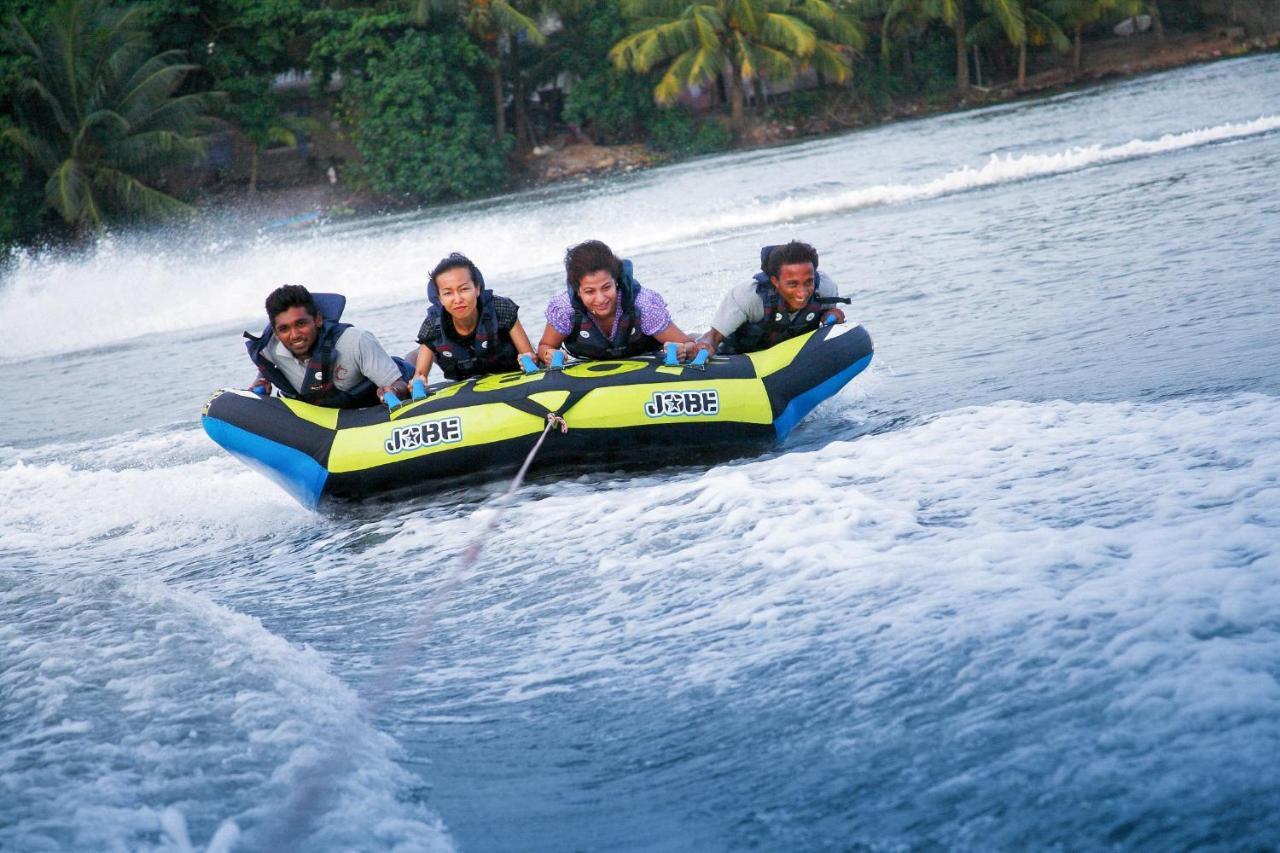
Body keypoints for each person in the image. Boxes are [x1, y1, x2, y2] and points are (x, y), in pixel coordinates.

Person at [245, 284, 409, 408]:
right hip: (325, 422)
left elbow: (400, 384)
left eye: (301, 324)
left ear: (318, 320)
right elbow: (266, 369)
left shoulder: (356, 341)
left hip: (373, 401)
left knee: (411, 361)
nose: (294, 335)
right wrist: (261, 380)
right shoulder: (270, 350)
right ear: (275, 332)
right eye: (284, 329)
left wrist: (393, 391)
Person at [537, 240, 697, 364]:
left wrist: (681, 350)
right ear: (578, 291)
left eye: (606, 287)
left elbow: (689, 345)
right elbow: (545, 347)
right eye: (589, 291)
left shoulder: (644, 305)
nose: (600, 299)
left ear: (616, 282)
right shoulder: (564, 310)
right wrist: (549, 354)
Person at [695, 240, 849, 355]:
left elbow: (829, 315)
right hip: (740, 356)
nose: (802, 292)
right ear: (775, 281)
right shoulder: (750, 297)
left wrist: (832, 315)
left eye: (808, 282)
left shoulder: (825, 288)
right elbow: (713, 337)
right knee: (691, 343)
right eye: (793, 284)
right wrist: (704, 347)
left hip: (793, 357)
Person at [413, 253, 534, 382]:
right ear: (440, 298)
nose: (458, 299)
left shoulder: (500, 309)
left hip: (509, 373)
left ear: (477, 289)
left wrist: (529, 360)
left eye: (464, 289)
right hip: (465, 381)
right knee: (414, 356)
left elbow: (528, 354)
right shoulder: (432, 325)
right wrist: (417, 381)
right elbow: (420, 376)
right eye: (448, 293)